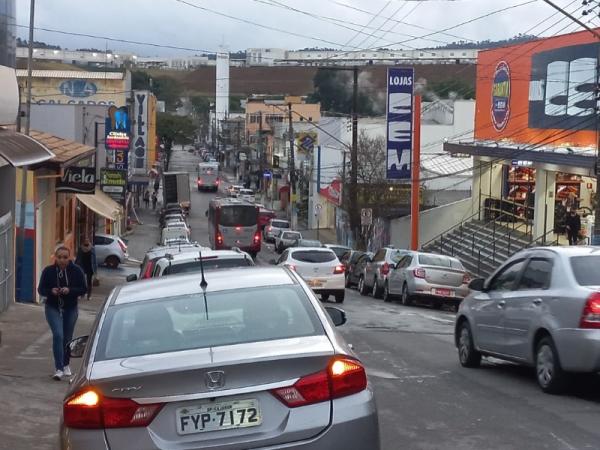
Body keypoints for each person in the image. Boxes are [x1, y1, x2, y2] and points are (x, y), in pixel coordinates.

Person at [38, 246, 87, 380]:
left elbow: (83, 289)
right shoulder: (48, 271)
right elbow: (41, 289)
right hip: (52, 307)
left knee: (67, 338)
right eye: (59, 257)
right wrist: (51, 291)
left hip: (70, 308)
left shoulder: (76, 271)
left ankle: (66, 364)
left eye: (65, 257)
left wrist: (69, 290)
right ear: (55, 257)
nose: (62, 260)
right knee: (58, 335)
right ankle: (58, 368)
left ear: (69, 257)